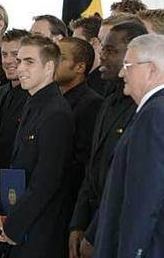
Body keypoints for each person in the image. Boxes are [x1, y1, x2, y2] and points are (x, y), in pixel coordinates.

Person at [68, 22, 148, 258]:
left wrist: (94, 233)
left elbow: (125, 182)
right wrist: (78, 223)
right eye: (103, 48)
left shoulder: (143, 109)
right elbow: (92, 166)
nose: (101, 56)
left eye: (111, 51)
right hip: (94, 222)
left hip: (117, 228)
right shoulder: (108, 102)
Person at [0, 35, 74, 258]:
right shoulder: (33, 104)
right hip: (21, 219)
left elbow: (47, 180)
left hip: (40, 229)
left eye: (29, 62)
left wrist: (14, 224)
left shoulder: (56, 112)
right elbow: (16, 165)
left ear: (49, 67)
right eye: (19, 61)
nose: (20, 68)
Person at [94, 34, 164, 258]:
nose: (122, 72)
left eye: (128, 65)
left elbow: (145, 196)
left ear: (151, 69)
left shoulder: (154, 114)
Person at [55, 37, 103, 206]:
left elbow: (81, 161)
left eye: (61, 58)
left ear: (80, 67)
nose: (53, 62)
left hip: (68, 199)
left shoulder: (92, 104)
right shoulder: (52, 100)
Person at [0, 29, 30, 183]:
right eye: (4, 54)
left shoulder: (34, 97)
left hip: (21, 182)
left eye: (15, 55)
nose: (8, 61)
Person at [70, 15, 106, 96]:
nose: (73, 47)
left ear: (94, 42)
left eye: (77, 41)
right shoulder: (79, 80)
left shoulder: (106, 84)